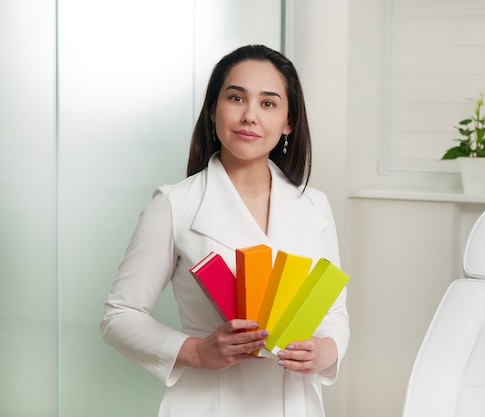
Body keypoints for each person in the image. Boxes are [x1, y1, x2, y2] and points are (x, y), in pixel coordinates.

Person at [99, 44, 349, 417]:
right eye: (236, 98)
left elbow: (335, 313)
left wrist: (326, 351)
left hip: (295, 404)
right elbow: (119, 316)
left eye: (268, 103)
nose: (250, 115)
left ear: (288, 122)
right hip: (208, 403)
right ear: (213, 109)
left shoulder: (315, 206)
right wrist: (198, 351)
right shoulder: (173, 206)